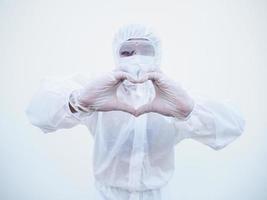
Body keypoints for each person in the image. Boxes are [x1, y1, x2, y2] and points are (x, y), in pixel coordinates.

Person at [25, 24, 245, 200]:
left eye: (146, 51)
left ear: (158, 54)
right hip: (104, 194)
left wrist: (190, 111)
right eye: (128, 51)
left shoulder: (175, 94)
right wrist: (77, 102)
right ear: (116, 54)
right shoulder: (98, 89)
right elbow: (38, 113)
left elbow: (233, 125)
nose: (137, 58)